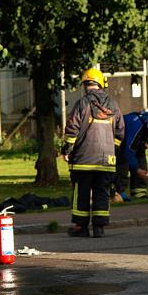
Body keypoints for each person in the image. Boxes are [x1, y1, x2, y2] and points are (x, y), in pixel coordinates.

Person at [61, 68, 125, 238]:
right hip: (106, 161)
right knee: (102, 192)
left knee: (81, 193)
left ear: (85, 85)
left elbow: (72, 129)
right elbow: (120, 133)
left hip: (83, 159)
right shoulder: (113, 105)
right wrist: (113, 149)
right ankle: (99, 228)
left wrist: (66, 150)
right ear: (101, 84)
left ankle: (80, 227)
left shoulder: (82, 104)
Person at [116, 112, 148, 200]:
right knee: (123, 165)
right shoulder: (135, 127)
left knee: (142, 162)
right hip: (120, 142)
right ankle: (118, 193)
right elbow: (128, 150)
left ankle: (139, 193)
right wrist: (136, 169)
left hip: (134, 140)